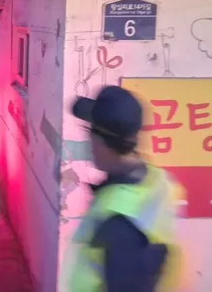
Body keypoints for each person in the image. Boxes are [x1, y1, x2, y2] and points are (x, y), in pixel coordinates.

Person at [68, 85, 185, 292]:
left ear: (100, 141)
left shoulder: (120, 223)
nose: (88, 142)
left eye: (89, 131)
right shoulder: (155, 180)